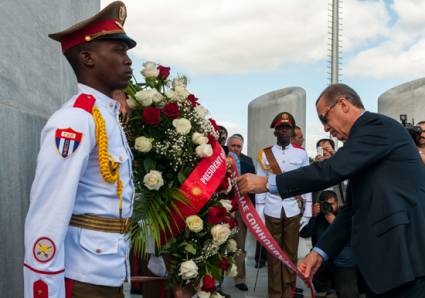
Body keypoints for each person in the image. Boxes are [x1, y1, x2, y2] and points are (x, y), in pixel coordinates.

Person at [237, 83, 425, 297]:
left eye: (324, 118)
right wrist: (320, 252)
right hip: (388, 267)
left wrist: (268, 183)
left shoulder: (377, 127)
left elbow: (329, 170)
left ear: (343, 104)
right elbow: (352, 210)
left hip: (406, 261)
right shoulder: (365, 141)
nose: (325, 128)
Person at [23, 2, 136, 297]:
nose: (128, 61)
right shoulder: (75, 120)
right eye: (118, 51)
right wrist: (44, 286)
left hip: (107, 270)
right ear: (87, 57)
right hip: (83, 276)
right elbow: (48, 210)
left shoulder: (106, 116)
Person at [255, 112, 312, 298]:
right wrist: (260, 212)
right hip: (271, 209)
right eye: (280, 128)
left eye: (287, 128)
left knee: (290, 256)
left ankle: (288, 294)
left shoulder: (301, 154)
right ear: (275, 132)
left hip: (293, 209)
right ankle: (275, 294)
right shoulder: (265, 154)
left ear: (292, 131)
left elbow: (306, 183)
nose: (284, 131)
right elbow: (260, 183)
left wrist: (308, 211)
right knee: (273, 257)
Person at [301, 190, 359, 298]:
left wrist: (334, 222)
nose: (328, 207)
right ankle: (322, 290)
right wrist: (313, 217)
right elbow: (304, 233)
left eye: (331, 204)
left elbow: (354, 235)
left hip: (342, 260)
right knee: (312, 261)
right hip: (323, 261)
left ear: (337, 203)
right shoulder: (318, 217)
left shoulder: (343, 216)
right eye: (325, 204)